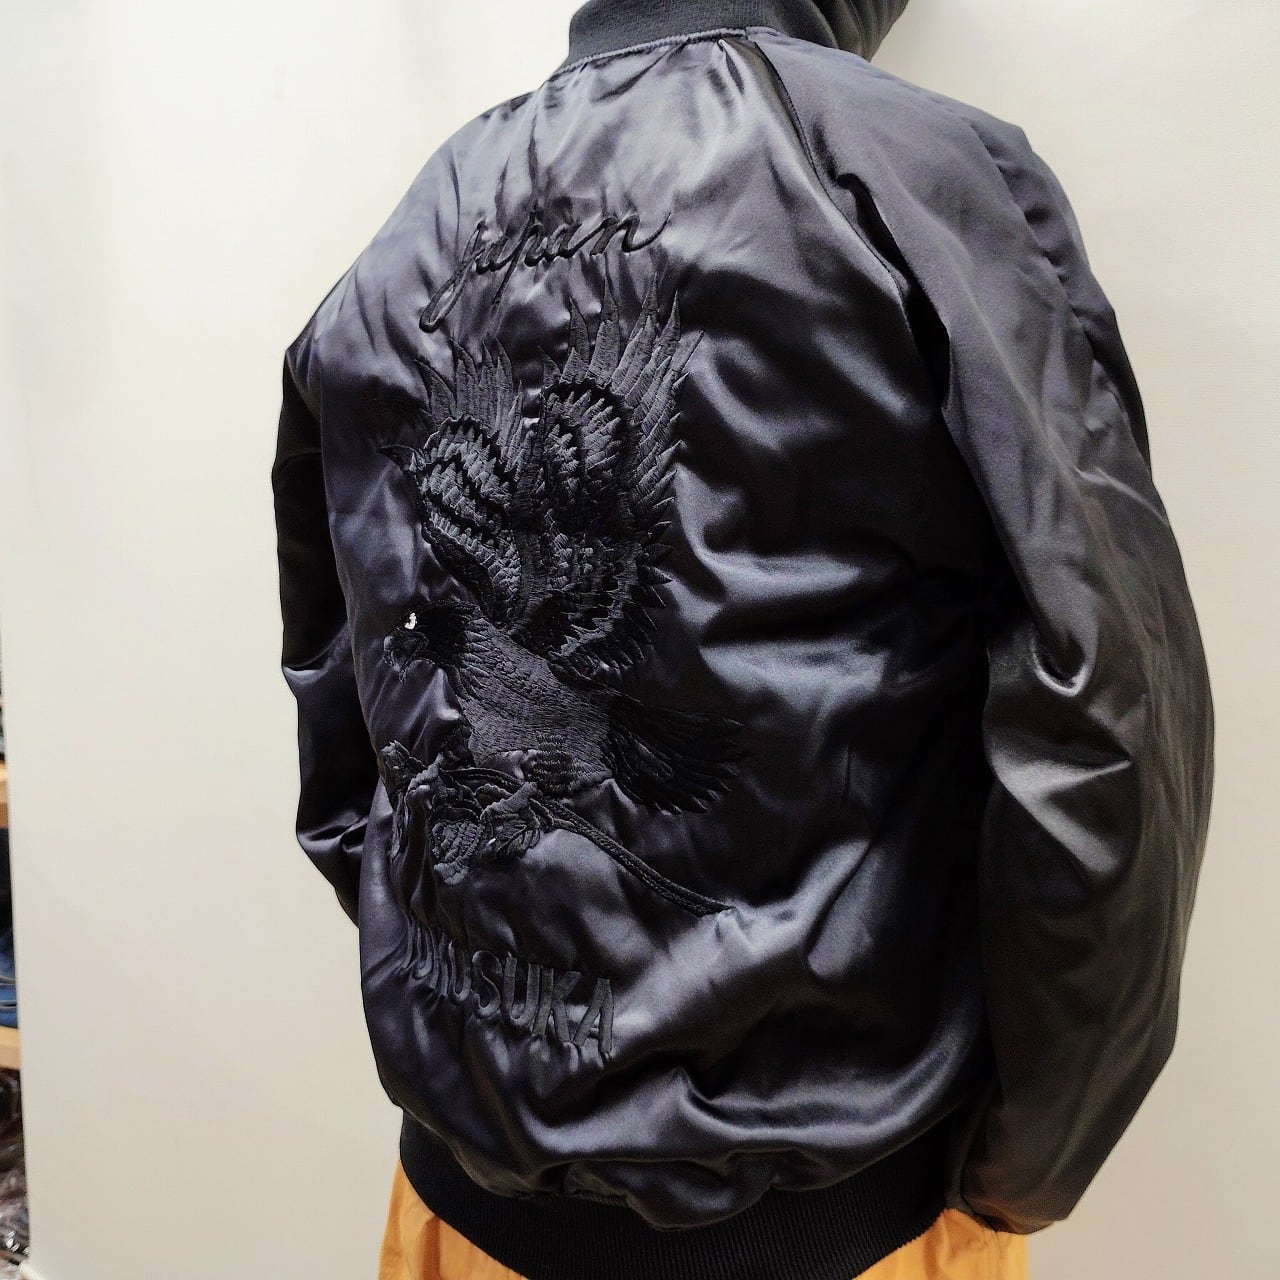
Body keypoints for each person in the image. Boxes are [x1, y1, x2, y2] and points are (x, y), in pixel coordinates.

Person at [271, 2, 1215, 1277]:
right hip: (833, 1230)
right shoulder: (907, 180)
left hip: (448, 1213)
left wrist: (487, 1013)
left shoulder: (405, 233)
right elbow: (1102, 724)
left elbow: (343, 731)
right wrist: (1020, 1166)